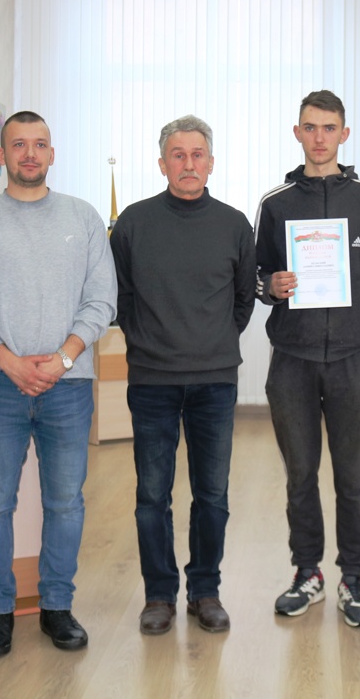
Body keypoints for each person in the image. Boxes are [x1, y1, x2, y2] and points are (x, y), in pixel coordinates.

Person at [0, 111, 117, 657]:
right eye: (19, 144)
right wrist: (8, 361)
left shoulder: (83, 217)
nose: (30, 153)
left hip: (68, 388)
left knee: (66, 503)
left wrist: (62, 360)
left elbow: (102, 300)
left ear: (53, 153)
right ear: (2, 154)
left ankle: (57, 607)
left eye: (40, 144)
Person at [254, 90, 360, 628]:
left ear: (344, 134)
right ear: (297, 133)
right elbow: (257, 276)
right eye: (310, 128)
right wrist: (272, 286)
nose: (319, 138)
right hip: (292, 357)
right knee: (300, 473)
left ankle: (353, 578)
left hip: (353, 358)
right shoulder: (276, 203)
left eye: (329, 128)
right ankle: (307, 572)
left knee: (353, 479)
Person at [111, 115, 256, 636]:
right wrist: (148, 341)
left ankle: (204, 591)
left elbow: (243, 300)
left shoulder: (235, 224)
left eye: (197, 155)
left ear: (211, 163)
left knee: (212, 495)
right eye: (178, 155)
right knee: (152, 496)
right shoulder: (133, 223)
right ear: (162, 163)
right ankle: (158, 595)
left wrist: (212, 342)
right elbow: (121, 297)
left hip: (215, 380)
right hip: (152, 379)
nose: (188, 164)